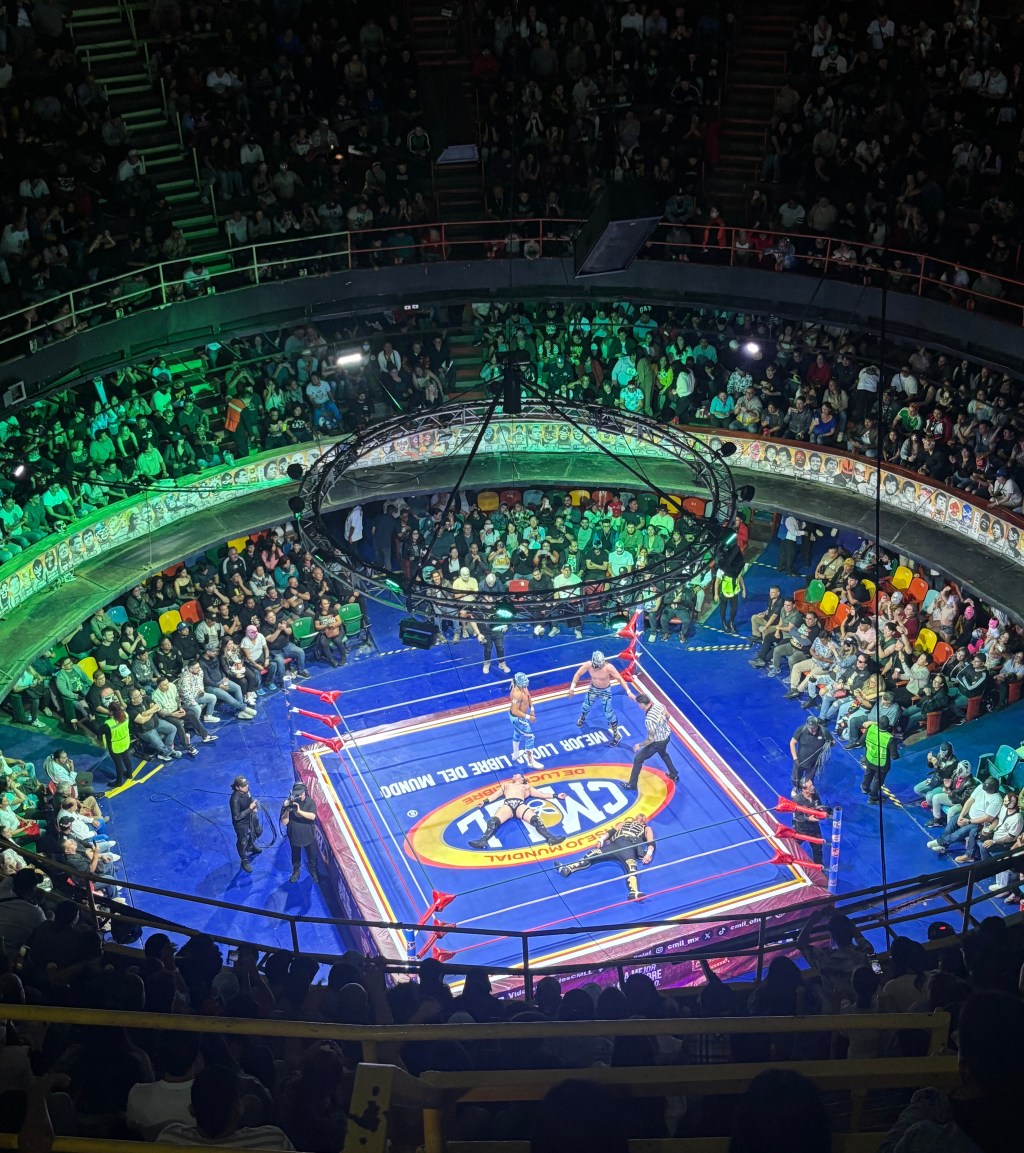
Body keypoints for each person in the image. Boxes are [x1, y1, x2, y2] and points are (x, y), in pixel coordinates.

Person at [556, 812, 654, 901]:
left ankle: (635, 892)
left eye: (642, 818)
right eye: (639, 816)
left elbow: (651, 841)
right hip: (615, 844)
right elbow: (611, 832)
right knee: (592, 853)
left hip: (629, 846)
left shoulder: (646, 828)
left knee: (631, 866)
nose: (640, 817)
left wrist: (648, 854)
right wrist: (601, 840)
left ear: (645, 821)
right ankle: (568, 869)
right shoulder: (623, 824)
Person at [467, 771, 567, 849]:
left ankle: (551, 838)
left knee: (536, 820)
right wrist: (484, 801)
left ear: (522, 778)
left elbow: (540, 794)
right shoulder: (506, 785)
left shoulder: (526, 787)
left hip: (520, 805)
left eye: (516, 774)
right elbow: (496, 795)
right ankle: (482, 841)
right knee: (493, 821)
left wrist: (556, 795)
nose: (514, 775)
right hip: (508, 804)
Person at [568, 651, 635, 746]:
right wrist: (572, 688)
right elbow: (578, 674)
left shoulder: (609, 667)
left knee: (608, 713)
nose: (598, 668)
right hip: (593, 688)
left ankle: (616, 735)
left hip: (605, 691)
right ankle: (582, 718)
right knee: (586, 705)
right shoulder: (588, 665)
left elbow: (620, 678)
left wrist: (628, 691)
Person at [626, 693, 678, 790]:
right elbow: (668, 716)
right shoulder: (659, 705)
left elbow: (651, 739)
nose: (639, 706)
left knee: (638, 759)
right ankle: (674, 774)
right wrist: (662, 726)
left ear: (642, 705)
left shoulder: (649, 719)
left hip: (658, 742)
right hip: (666, 736)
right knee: (663, 753)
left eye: (639, 704)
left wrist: (639, 745)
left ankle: (632, 784)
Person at [280, 780, 320, 884]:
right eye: (296, 794)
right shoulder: (289, 803)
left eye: (300, 794)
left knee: (312, 855)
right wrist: (286, 809)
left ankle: (313, 870)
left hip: (308, 836)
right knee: (296, 855)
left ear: (305, 792)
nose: (299, 796)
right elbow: (285, 822)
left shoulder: (310, 802)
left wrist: (299, 811)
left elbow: (313, 816)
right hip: (294, 837)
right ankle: (296, 870)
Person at [509, 671, 544, 770]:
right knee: (530, 737)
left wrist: (532, 709)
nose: (526, 682)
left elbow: (528, 696)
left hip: (521, 717)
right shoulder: (516, 694)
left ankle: (515, 754)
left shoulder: (523, 687)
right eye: (524, 680)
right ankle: (530, 761)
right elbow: (515, 710)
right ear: (519, 682)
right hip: (517, 718)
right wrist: (528, 717)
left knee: (517, 733)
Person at [789, 715, 831, 790]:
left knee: (809, 780)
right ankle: (796, 787)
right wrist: (795, 759)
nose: (811, 730)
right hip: (800, 761)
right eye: (809, 728)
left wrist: (829, 744)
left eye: (813, 728)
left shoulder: (824, 731)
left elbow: (833, 742)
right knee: (795, 778)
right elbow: (792, 743)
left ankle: (807, 791)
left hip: (814, 763)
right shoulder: (801, 730)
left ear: (817, 725)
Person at [230, 776, 261, 874]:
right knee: (242, 842)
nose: (246, 787)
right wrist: (250, 809)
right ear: (237, 788)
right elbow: (236, 817)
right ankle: (244, 860)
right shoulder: (235, 799)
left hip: (250, 816)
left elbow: (250, 797)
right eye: (243, 786)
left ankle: (251, 846)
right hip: (241, 823)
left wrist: (253, 805)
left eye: (246, 784)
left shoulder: (246, 790)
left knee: (258, 831)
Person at [860, 717, 894, 803]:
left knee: (868, 773)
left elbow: (862, 741)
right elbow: (894, 755)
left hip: (870, 757)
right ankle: (873, 798)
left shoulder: (871, 728)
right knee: (877, 780)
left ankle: (864, 788)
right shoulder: (889, 738)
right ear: (888, 726)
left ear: (877, 723)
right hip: (882, 764)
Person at [100, 702, 134, 788]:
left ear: (111, 712)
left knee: (118, 763)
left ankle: (119, 782)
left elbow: (99, 731)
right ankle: (130, 774)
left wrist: (92, 720)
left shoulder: (108, 724)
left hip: (115, 745)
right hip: (125, 741)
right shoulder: (125, 714)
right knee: (126, 757)